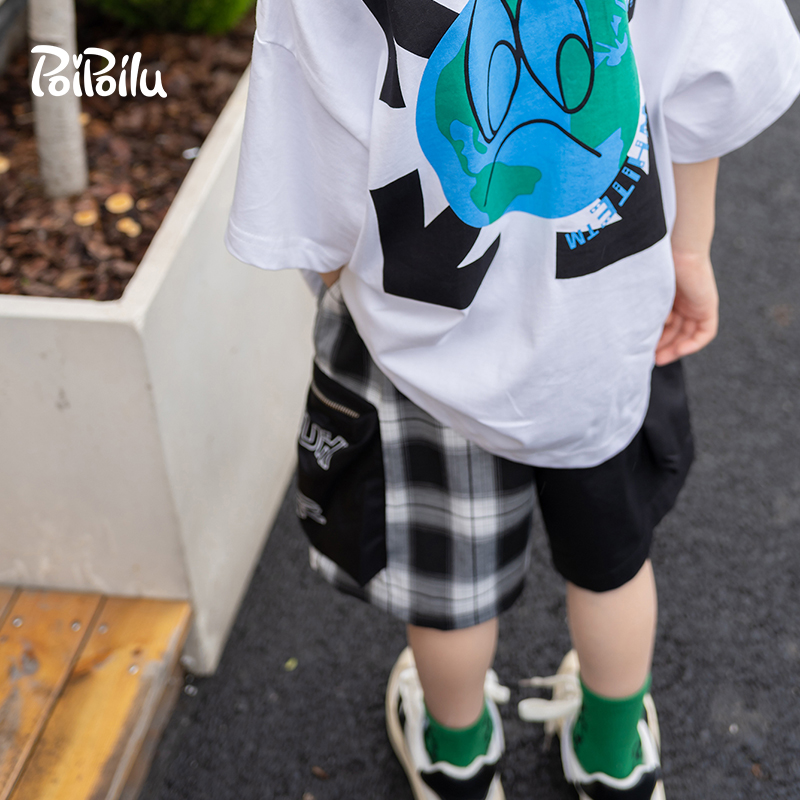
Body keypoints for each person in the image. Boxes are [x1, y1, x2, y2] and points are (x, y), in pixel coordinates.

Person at [225, 0, 800, 797]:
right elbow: (712, 78)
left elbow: (314, 130)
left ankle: (457, 759)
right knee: (611, 570)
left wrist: (344, 286)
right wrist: (690, 252)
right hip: (599, 328)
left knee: (451, 598)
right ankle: (613, 758)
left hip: (423, 346)